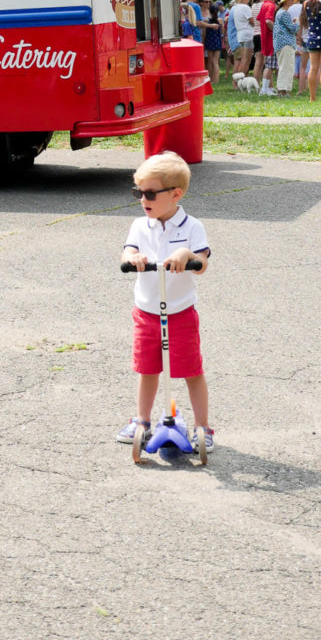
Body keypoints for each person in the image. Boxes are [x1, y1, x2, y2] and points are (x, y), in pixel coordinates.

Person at [116, 151, 213, 452]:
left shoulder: (191, 227)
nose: (142, 199)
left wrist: (188, 256)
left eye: (149, 193)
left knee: (191, 370)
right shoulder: (139, 226)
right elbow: (126, 254)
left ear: (175, 194)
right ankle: (142, 421)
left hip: (180, 313)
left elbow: (203, 260)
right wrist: (133, 257)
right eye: (138, 192)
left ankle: (202, 426)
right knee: (147, 369)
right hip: (146, 312)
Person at [254, 0, 280, 93]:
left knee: (269, 63)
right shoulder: (271, 5)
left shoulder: (264, 4)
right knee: (270, 65)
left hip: (265, 38)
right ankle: (264, 89)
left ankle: (268, 88)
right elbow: (268, 21)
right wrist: (277, 31)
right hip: (271, 39)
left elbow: (259, 19)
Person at [273, 0, 299, 93]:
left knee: (285, 66)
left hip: (281, 43)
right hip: (286, 43)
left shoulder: (281, 12)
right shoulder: (284, 13)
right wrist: (297, 23)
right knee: (286, 67)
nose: (293, 0)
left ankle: (283, 89)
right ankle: (283, 90)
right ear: (286, 0)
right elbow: (293, 30)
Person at [231, 0, 255, 77]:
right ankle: (240, 81)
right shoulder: (245, 7)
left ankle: (236, 82)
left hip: (240, 35)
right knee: (246, 60)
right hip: (248, 35)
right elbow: (252, 21)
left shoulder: (236, 7)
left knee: (243, 59)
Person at [202, 0, 223, 84]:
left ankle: (210, 79)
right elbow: (222, 32)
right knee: (216, 61)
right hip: (217, 41)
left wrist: (203, 43)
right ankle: (216, 80)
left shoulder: (207, 21)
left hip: (209, 41)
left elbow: (204, 33)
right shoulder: (220, 20)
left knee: (210, 60)